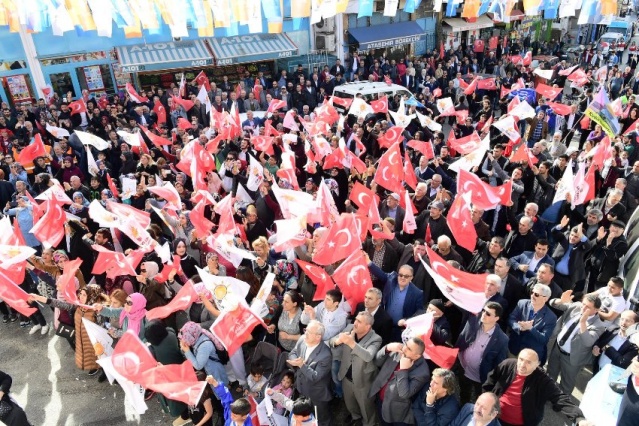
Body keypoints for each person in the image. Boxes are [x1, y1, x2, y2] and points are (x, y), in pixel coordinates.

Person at [483, 349, 589, 426]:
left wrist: (579, 418)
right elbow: (490, 381)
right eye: (521, 359)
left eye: (528, 362)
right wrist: (485, 402)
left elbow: (559, 398)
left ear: (537, 365)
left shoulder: (542, 380)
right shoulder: (507, 365)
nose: (522, 365)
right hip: (494, 417)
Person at [547, 292, 606, 395]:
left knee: (566, 384)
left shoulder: (598, 325)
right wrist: (561, 300)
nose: (583, 307)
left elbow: (588, 342)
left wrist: (583, 322)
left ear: (596, 310)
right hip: (557, 349)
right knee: (550, 374)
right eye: (583, 304)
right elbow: (552, 303)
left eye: (587, 307)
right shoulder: (577, 306)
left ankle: (560, 403)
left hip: (572, 359)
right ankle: (547, 394)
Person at [330, 311, 382, 426]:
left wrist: (351, 342)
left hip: (363, 381)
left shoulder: (376, 339)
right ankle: (355, 417)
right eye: (355, 320)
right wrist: (337, 341)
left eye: (359, 321)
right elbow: (331, 341)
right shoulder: (349, 328)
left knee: (366, 407)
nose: (355, 323)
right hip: (346, 377)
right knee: (350, 403)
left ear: (368, 326)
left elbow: (368, 356)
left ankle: (369, 423)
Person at [456, 301, 509, 404]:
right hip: (463, 368)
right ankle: (463, 408)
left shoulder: (502, 340)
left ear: (496, 318)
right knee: (464, 392)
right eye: (483, 310)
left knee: (479, 399)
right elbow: (462, 338)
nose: (483, 314)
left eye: (488, 313)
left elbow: (498, 365)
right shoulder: (473, 322)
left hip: (480, 377)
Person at [369, 337, 430, 425]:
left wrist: (403, 370)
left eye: (409, 349)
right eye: (406, 344)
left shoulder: (422, 373)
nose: (404, 348)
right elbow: (377, 362)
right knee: (382, 420)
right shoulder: (398, 350)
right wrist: (387, 348)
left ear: (417, 356)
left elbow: (404, 394)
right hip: (380, 398)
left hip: (396, 410)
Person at [287, 320, 333, 426]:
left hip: (316, 395)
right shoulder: (303, 339)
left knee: (321, 418)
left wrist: (301, 365)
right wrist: (295, 360)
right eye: (305, 330)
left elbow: (315, 376)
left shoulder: (325, 354)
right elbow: (293, 352)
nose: (305, 334)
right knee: (304, 415)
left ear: (318, 337)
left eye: (309, 332)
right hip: (301, 388)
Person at [368, 263, 423, 342]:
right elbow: (380, 274)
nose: (402, 278)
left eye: (406, 276)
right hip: (383, 324)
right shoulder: (391, 279)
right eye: (400, 275)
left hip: (399, 329)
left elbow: (420, 312)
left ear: (411, 278)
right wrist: (369, 263)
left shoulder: (417, 293)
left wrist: (406, 320)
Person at [508, 284, 557, 365]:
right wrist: (519, 327)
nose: (532, 296)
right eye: (532, 292)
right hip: (514, 349)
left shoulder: (551, 317)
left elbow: (544, 339)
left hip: (530, 356)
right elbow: (511, 319)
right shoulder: (522, 303)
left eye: (536, 294)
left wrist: (531, 328)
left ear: (546, 298)